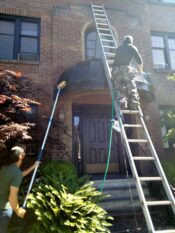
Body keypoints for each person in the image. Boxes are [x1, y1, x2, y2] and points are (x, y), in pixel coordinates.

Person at [0, 146, 39, 233]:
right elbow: (12, 196)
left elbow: (20, 175)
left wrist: (34, 166)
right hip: (4, 209)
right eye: (23, 153)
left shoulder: (5, 167)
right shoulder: (15, 172)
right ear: (20, 156)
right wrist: (18, 211)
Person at [112, 35, 143, 109]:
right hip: (126, 69)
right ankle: (134, 104)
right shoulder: (132, 47)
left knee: (119, 87)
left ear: (124, 41)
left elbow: (115, 60)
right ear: (131, 41)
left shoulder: (119, 48)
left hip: (116, 70)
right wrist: (140, 71)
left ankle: (123, 104)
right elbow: (140, 61)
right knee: (131, 87)